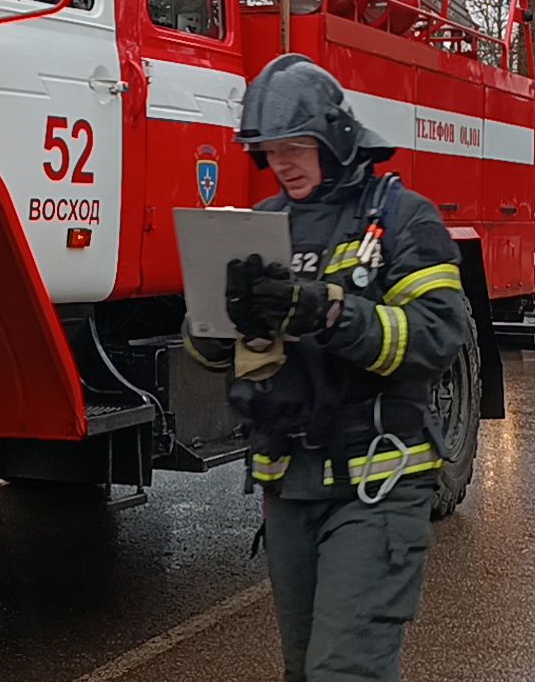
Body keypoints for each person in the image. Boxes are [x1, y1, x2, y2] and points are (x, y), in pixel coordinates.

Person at [187, 53, 471, 682]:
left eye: (296, 145)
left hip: (378, 483)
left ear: (334, 138)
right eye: (269, 149)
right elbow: (206, 351)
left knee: (344, 672)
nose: (281, 162)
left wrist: (330, 313)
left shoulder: (402, 219)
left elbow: (438, 336)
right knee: (304, 671)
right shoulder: (264, 225)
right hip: (289, 484)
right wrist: (223, 315)